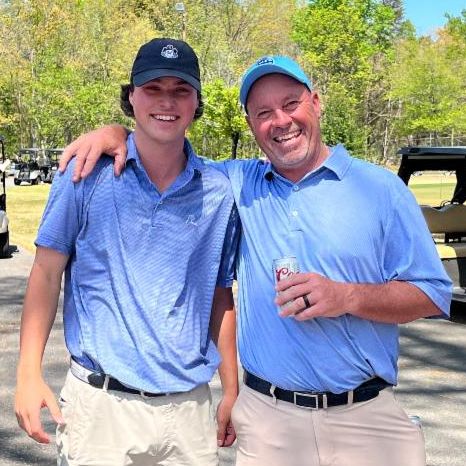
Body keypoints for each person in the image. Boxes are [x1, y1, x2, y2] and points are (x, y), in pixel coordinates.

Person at [58, 55, 452, 466]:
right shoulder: (236, 182)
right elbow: (164, 146)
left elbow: (432, 294)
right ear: (251, 125)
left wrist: (348, 296)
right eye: (263, 112)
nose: (280, 121)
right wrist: (115, 131)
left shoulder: (381, 190)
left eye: (291, 104)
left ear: (316, 103)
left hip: (368, 418)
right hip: (269, 424)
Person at [15, 37, 240, 466]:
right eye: (153, 88)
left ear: (196, 103)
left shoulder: (218, 191)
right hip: (101, 408)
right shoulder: (83, 173)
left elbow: (219, 294)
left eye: (181, 90)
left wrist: (230, 389)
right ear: (131, 97)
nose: (166, 102)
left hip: (189, 411)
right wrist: (28, 372)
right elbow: (45, 273)